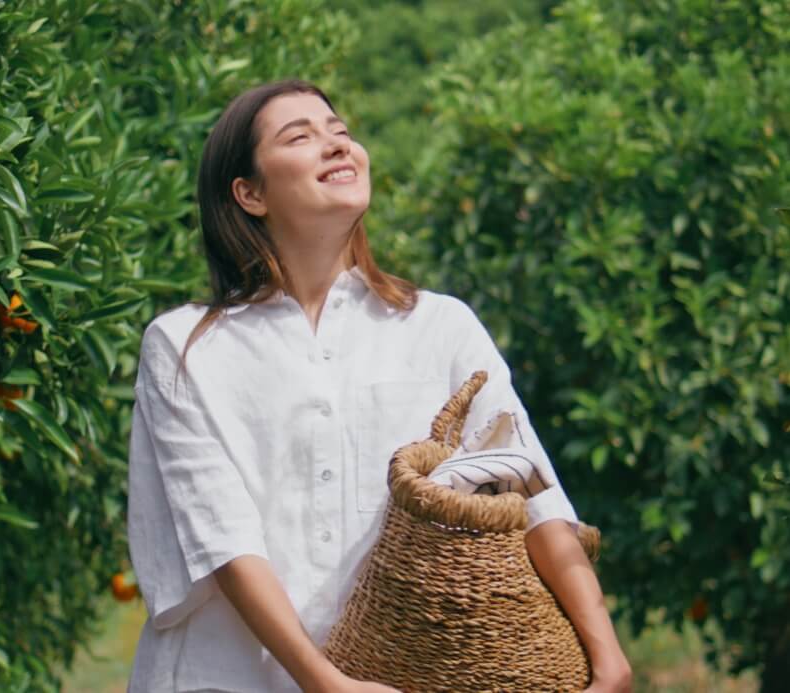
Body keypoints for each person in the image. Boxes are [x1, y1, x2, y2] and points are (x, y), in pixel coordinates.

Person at [125, 78, 633, 693]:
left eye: (340, 132)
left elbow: (531, 499)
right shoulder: (186, 347)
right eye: (301, 136)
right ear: (249, 193)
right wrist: (326, 682)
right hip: (227, 676)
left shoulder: (440, 326)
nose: (336, 145)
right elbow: (222, 538)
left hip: (405, 674)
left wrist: (607, 655)